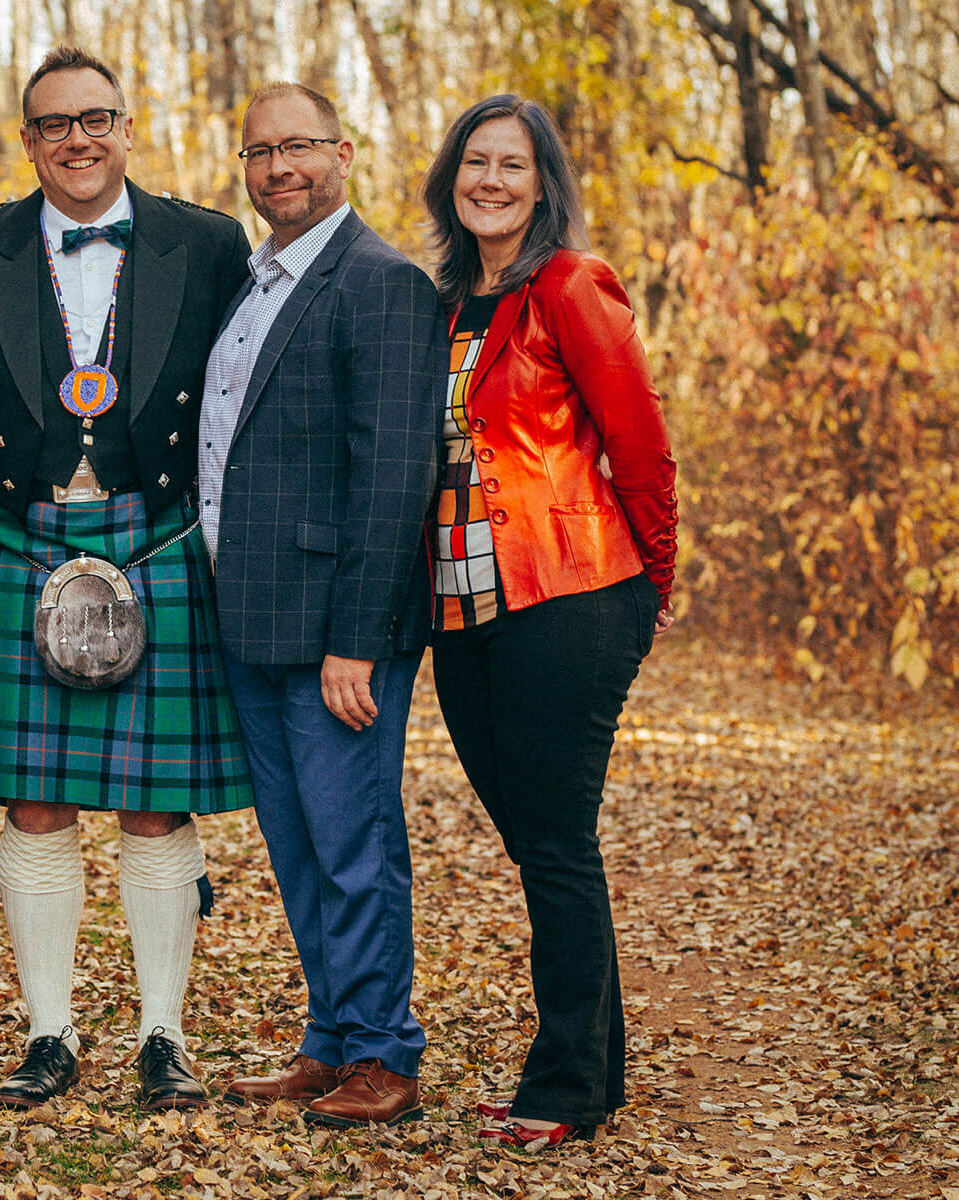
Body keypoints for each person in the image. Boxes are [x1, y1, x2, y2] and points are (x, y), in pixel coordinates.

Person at [0, 46, 254, 1112]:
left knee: (156, 811)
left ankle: (164, 1036)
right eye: (55, 123)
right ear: (27, 141)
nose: (78, 139)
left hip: (156, 541)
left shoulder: (205, 242)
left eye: (97, 118)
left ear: (127, 126)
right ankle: (50, 1035)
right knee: (36, 803)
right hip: (26, 540)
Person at [420, 94, 677, 1149]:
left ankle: (566, 1085)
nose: (490, 180)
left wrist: (653, 585)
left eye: (511, 166)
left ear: (542, 184)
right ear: (452, 179)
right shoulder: (443, 302)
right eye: (474, 162)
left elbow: (643, 447)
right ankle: (592, 1065)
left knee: (559, 841)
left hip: (566, 596)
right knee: (537, 841)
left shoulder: (572, 285)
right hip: (461, 610)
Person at [208, 84, 445, 1126]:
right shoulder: (254, 281)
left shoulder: (382, 284)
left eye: (297, 146)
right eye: (260, 152)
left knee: (353, 841)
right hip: (251, 616)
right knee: (298, 845)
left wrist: (358, 640)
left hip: (336, 633)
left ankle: (385, 1050)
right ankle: (333, 1037)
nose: (277, 169)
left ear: (344, 151)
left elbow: (395, 476)